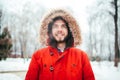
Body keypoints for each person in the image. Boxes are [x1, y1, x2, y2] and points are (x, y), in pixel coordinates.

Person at [25, 9, 95, 80]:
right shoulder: (38, 56)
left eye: (63, 26)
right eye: (55, 26)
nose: (59, 30)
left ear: (69, 31)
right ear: (50, 31)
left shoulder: (81, 57)